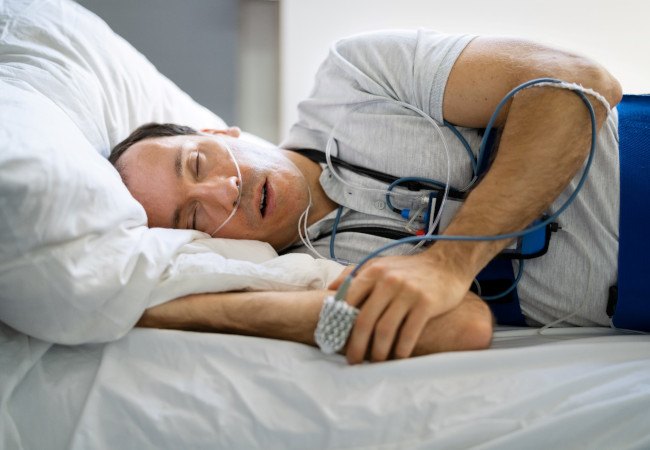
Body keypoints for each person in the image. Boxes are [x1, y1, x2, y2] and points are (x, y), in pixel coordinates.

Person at [109, 31, 623, 364]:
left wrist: (449, 262)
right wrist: (163, 312)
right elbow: (462, 326)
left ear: (222, 135)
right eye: (195, 215)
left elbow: (576, 85)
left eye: (199, 163)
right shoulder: (300, 279)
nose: (226, 191)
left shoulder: (354, 78)